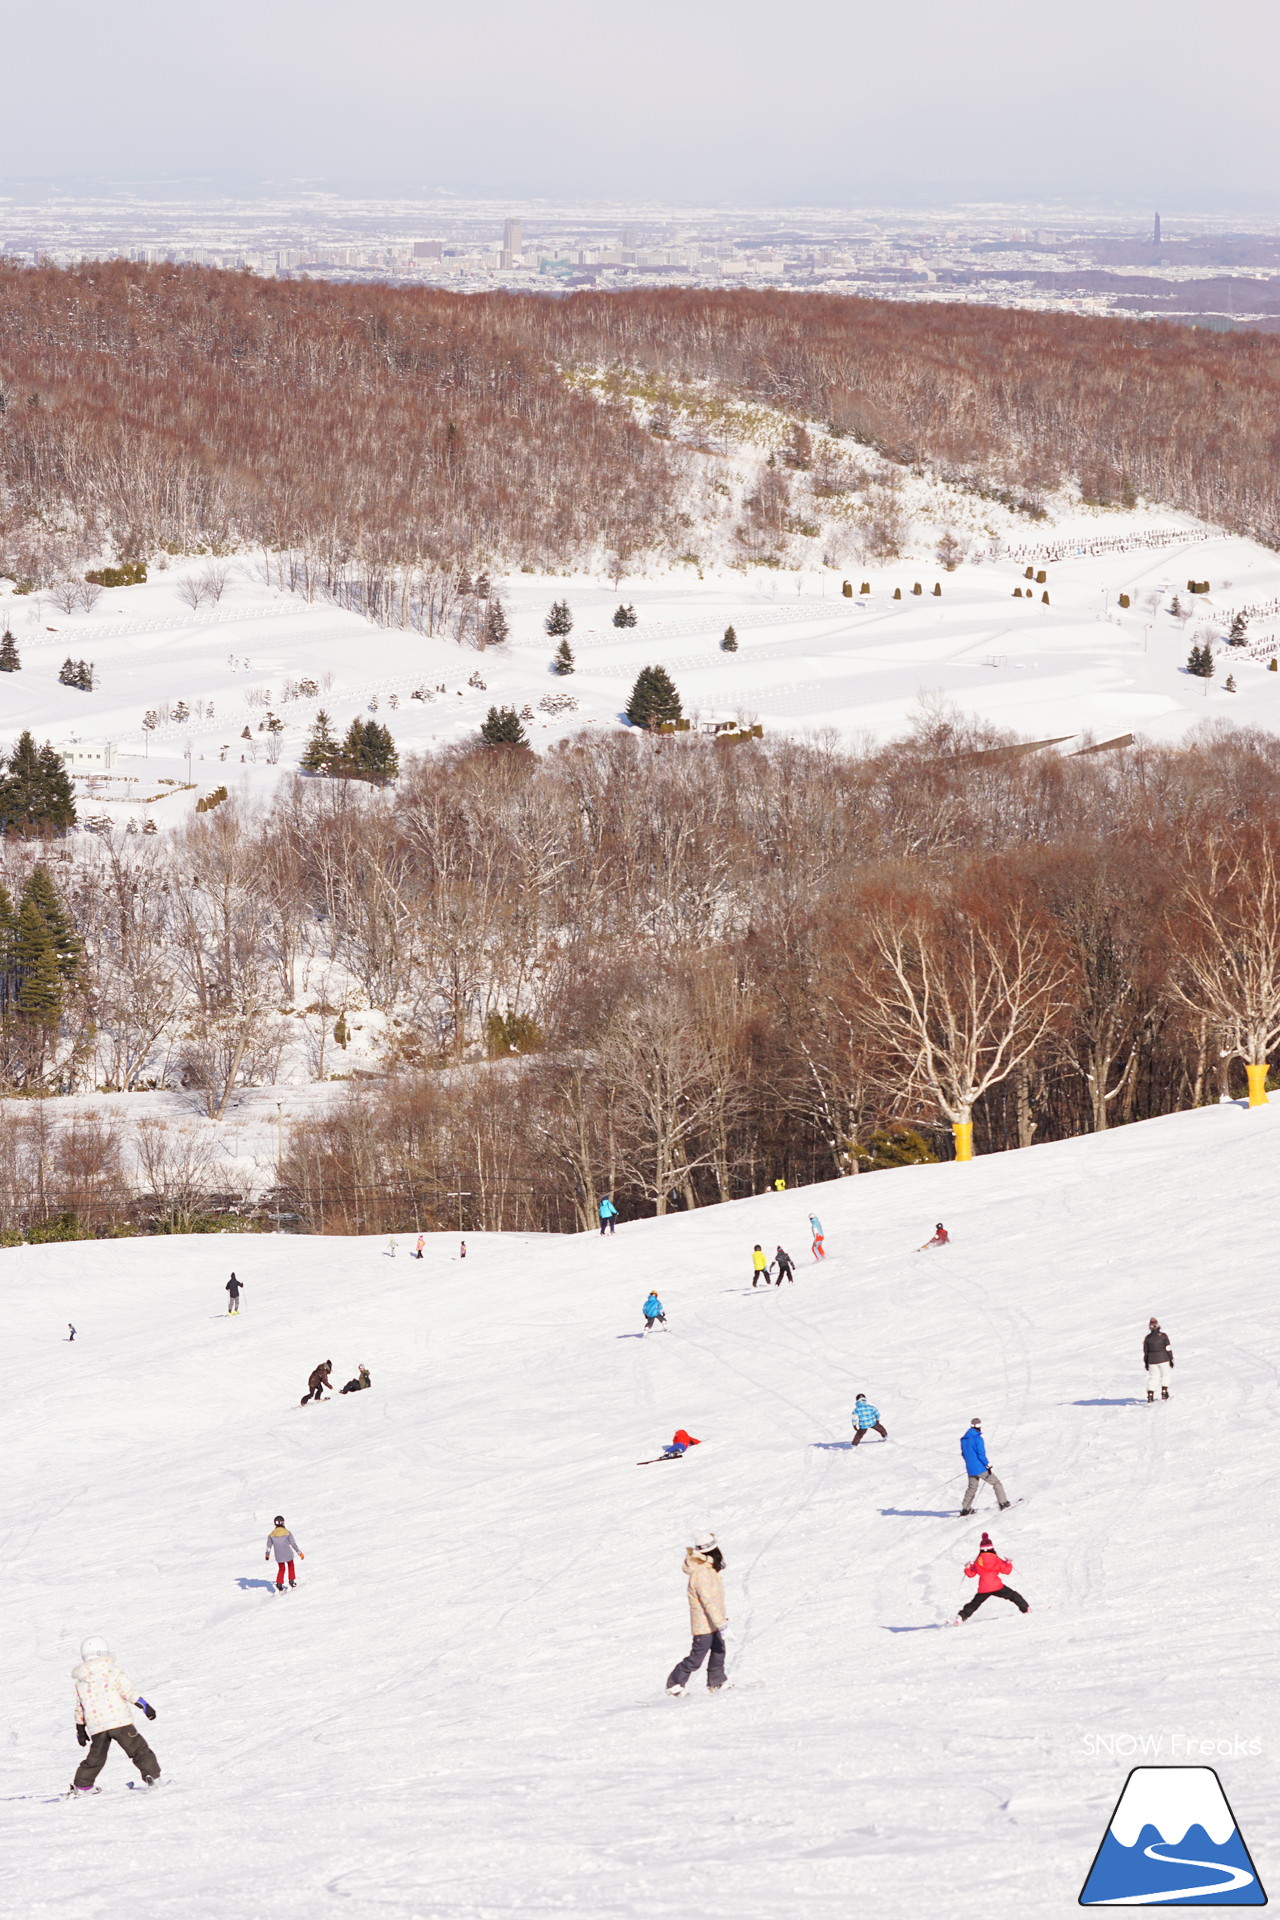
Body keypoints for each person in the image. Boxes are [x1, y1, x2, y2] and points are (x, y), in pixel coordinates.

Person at [69, 1637, 160, 1794]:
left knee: (96, 1758)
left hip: (97, 1727)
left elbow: (80, 1708)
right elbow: (128, 1691)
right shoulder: (112, 1672)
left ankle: (83, 1786)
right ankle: (152, 1776)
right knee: (139, 1750)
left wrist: (80, 1729)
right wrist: (145, 1706)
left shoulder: (81, 1682)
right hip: (120, 1722)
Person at [666, 1533, 727, 1694]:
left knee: (719, 1651)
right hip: (704, 1625)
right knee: (696, 1658)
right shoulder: (701, 1572)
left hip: (713, 1622)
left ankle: (717, 1681)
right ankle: (674, 1685)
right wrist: (722, 1623)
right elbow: (708, 1601)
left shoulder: (708, 1568)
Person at [958, 1532, 1030, 1621]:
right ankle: (1026, 1609)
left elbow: (970, 1574)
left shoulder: (978, 1561)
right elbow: (1006, 1571)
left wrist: (967, 1568)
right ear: (992, 1548)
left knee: (974, 1604)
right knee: (1013, 1595)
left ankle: (961, 1617)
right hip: (997, 1586)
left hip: (983, 1588)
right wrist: (1008, 1563)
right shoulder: (996, 1559)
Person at [959, 1418, 1011, 1514]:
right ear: (979, 1426)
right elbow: (981, 1454)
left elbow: (964, 1454)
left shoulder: (964, 1440)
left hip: (970, 1469)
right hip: (980, 1468)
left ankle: (965, 1509)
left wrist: (971, 1464)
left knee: (972, 1488)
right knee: (996, 1483)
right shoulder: (978, 1438)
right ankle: (1003, 1503)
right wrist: (987, 1465)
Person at [265, 1515, 305, 1591]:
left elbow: (268, 1546)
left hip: (279, 1556)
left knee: (281, 1569)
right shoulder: (287, 1533)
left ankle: (279, 1584)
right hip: (288, 1554)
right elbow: (293, 1544)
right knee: (291, 1566)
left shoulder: (271, 1535)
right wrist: (299, 1552)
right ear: (283, 1522)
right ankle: (291, 1581)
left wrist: (267, 1554)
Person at [1144, 1317, 1174, 1402]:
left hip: (1151, 1361)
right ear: (1158, 1325)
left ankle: (1150, 1394)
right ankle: (1164, 1391)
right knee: (1165, 1375)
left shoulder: (1147, 1338)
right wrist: (1171, 1359)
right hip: (1164, 1358)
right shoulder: (1163, 1336)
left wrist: (1146, 1363)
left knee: (1153, 1377)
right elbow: (1168, 1348)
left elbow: (1146, 1352)